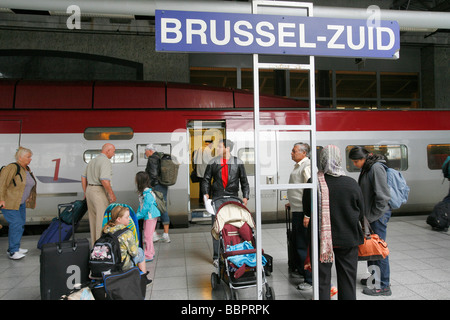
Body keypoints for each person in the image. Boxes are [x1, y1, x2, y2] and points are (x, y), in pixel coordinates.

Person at [303, 145, 364, 300]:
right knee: (348, 280)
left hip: (321, 241)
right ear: (339, 160)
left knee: (322, 281)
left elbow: (307, 210)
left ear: (321, 161)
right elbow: (361, 212)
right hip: (348, 238)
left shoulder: (313, 182)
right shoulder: (351, 183)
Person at [349, 146, 392, 296]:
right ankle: (375, 278)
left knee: (378, 250)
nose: (355, 164)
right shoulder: (368, 168)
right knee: (371, 249)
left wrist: (373, 217)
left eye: (356, 161)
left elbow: (383, 197)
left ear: (364, 158)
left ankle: (384, 286)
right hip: (370, 217)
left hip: (377, 216)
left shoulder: (376, 168)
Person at [201, 139, 250, 267]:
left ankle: (233, 252)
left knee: (233, 226)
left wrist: (246, 196)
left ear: (227, 148)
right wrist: (206, 193)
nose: (217, 149)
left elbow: (244, 181)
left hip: (233, 197)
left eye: (219, 146)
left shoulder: (238, 162)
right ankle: (216, 257)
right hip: (217, 198)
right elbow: (206, 179)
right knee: (217, 227)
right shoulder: (213, 162)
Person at [0, 147, 37, 260]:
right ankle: (13, 251)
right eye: (28, 157)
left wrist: (29, 197)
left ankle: (14, 247)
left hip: (20, 203)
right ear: (20, 157)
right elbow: (2, 184)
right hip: (10, 203)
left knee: (20, 225)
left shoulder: (26, 169)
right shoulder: (12, 167)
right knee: (16, 224)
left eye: (30, 156)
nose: (30, 159)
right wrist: (1, 199)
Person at [285, 142, 312, 290]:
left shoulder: (306, 166)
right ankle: (302, 271)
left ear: (303, 153)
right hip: (298, 209)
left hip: (303, 212)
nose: (291, 153)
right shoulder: (298, 166)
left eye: (294, 151)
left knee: (303, 245)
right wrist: (292, 203)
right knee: (298, 242)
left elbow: (310, 190)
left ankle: (309, 279)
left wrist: (307, 214)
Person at [102, 205, 151, 284]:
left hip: (108, 263)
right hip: (122, 265)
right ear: (119, 219)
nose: (129, 219)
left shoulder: (105, 229)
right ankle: (143, 279)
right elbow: (134, 253)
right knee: (140, 252)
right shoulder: (126, 232)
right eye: (127, 217)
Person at [81, 143, 117, 245]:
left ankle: (94, 246)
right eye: (113, 151)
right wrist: (111, 194)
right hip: (99, 191)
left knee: (93, 221)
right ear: (108, 151)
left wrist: (85, 191)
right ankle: (101, 248)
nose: (113, 154)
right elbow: (104, 180)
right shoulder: (105, 161)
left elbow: (83, 177)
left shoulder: (93, 161)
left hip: (90, 191)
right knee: (102, 221)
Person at [144, 144, 170, 243]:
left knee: (152, 208)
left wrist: (150, 186)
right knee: (163, 207)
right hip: (163, 186)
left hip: (156, 186)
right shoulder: (160, 157)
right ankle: (166, 234)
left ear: (150, 150)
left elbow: (153, 174)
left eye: (146, 151)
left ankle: (153, 234)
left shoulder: (152, 159)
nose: (145, 153)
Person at [135, 171, 160, 262]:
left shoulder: (147, 193)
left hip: (150, 216)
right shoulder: (145, 192)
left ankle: (148, 255)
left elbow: (145, 207)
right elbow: (141, 206)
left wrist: (138, 216)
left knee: (147, 236)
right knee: (148, 235)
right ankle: (151, 252)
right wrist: (137, 214)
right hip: (149, 216)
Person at [193, 139, 214, 206]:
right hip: (206, 172)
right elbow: (211, 161)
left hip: (199, 172)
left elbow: (194, 159)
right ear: (210, 144)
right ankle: (206, 201)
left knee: (201, 186)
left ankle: (201, 201)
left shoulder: (199, 149)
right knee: (207, 187)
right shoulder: (208, 150)